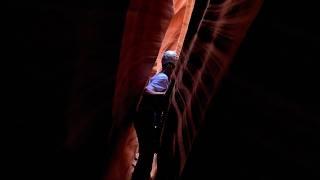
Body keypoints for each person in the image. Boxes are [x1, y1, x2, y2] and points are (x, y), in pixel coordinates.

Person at [132, 50, 178, 180]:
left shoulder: (163, 77)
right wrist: (165, 96)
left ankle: (141, 176)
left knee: (147, 153)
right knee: (147, 153)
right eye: (174, 65)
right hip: (144, 118)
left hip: (144, 118)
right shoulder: (162, 78)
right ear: (169, 65)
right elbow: (147, 91)